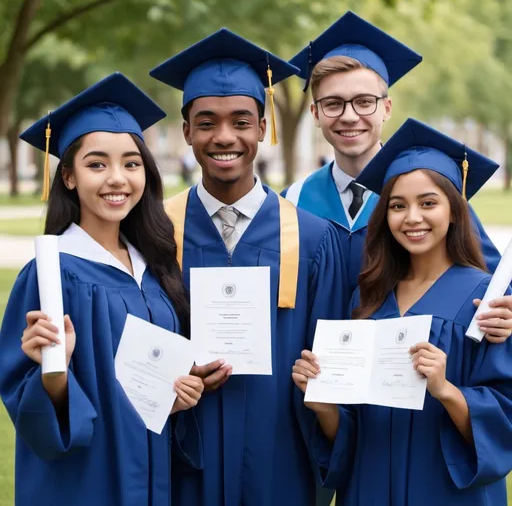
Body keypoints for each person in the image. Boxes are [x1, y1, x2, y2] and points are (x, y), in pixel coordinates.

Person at [149, 29, 348, 506]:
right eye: (207, 122)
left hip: (279, 456)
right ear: (186, 132)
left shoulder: (315, 238)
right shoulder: (153, 234)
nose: (224, 137)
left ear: (262, 127)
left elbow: (335, 367)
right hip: (182, 455)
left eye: (241, 121)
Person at [0, 72, 204, 506]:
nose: (117, 178)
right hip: (85, 482)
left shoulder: (157, 269)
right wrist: (54, 368)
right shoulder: (50, 275)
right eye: (97, 164)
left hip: (153, 472)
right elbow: (30, 409)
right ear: (69, 177)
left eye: (131, 163)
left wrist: (177, 395)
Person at [292, 118, 512, 506]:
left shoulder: (487, 303)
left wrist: (446, 390)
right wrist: (324, 405)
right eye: (397, 206)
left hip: (445, 490)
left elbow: (503, 418)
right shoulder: (369, 298)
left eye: (428, 203)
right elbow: (351, 425)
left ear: (455, 211)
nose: (412, 218)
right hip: (368, 485)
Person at [282, 11, 503, 296]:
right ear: (315, 113)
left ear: (386, 108)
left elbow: (494, 287)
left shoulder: (431, 193)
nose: (349, 117)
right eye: (333, 103)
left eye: (364, 102)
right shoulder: (292, 202)